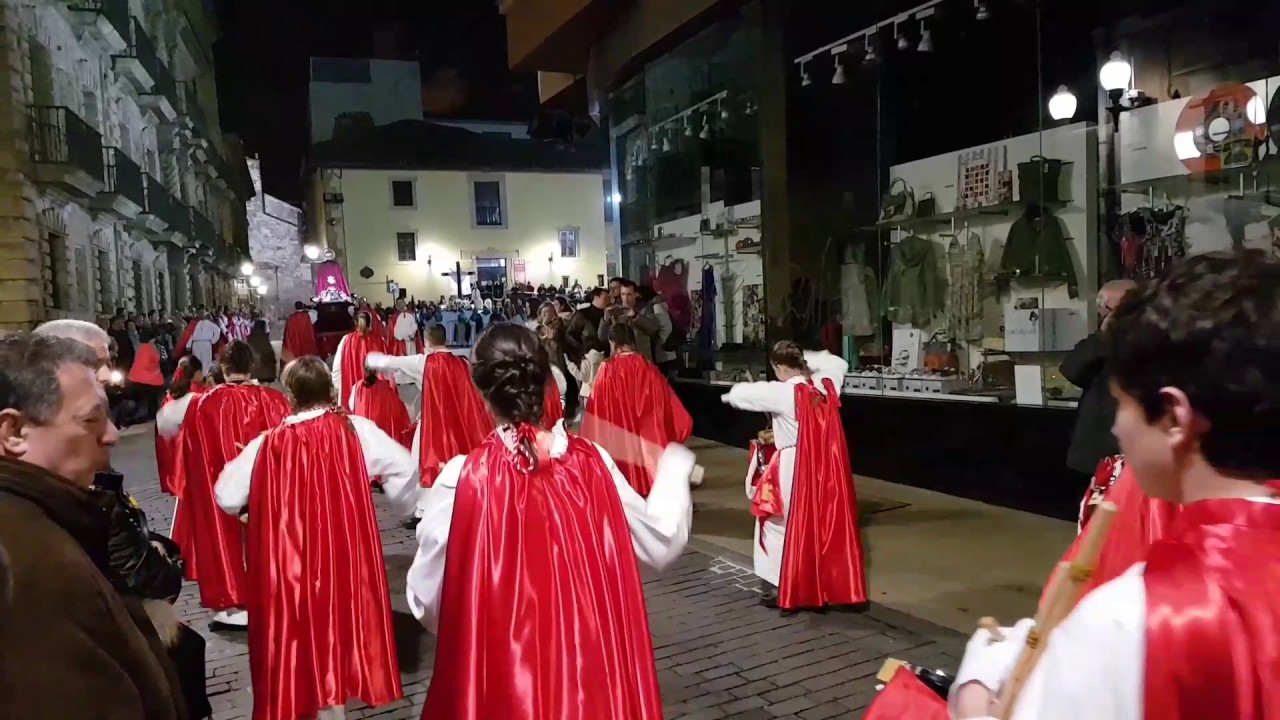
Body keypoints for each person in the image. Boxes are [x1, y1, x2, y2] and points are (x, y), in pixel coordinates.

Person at [950, 251, 1280, 720]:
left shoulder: (1132, 618)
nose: (1118, 429)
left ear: (1172, 418)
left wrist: (975, 689)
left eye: (1121, 404)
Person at [406, 323, 696, 719]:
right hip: (586, 680)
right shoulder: (592, 464)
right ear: (545, 382)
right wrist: (674, 468)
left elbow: (428, 600)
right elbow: (660, 540)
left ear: (481, 390)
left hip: (502, 681)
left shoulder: (462, 480)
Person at [215, 357, 416, 720]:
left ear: (288, 394)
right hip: (344, 556)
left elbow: (226, 495)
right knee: (340, 633)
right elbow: (405, 468)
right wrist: (403, 504)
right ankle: (334, 702)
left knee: (300, 640)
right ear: (330, 388)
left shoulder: (267, 444)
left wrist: (254, 508)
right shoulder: (356, 430)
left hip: (292, 563)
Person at [0, 333, 184, 719]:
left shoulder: (54, 516)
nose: (113, 435)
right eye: (90, 421)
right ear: (14, 433)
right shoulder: (27, 566)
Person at [721, 342, 867, 611]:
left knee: (775, 524)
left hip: (792, 466)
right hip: (823, 469)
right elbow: (838, 363)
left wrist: (728, 396)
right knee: (820, 528)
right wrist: (808, 359)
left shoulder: (783, 392)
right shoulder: (824, 386)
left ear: (779, 367)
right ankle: (822, 587)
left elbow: (742, 395)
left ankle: (779, 586)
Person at [156, 340, 291, 629]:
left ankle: (231, 602)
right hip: (262, 489)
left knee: (225, 540)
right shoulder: (275, 400)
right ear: (250, 365)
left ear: (223, 368)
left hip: (217, 491)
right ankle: (273, 590)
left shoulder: (200, 403)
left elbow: (164, 423)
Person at [366, 324, 492, 527]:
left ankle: (423, 510)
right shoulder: (461, 362)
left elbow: (394, 362)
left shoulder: (424, 361)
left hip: (433, 425)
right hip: (457, 422)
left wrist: (372, 359)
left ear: (427, 341)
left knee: (421, 461)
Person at [581, 323, 692, 498]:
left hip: (617, 433)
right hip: (644, 435)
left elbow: (597, 407)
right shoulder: (646, 367)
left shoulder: (607, 368)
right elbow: (665, 400)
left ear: (613, 342)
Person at [1060, 279, 1137, 486]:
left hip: (1132, 451)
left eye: (1109, 306)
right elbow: (1071, 370)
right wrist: (1104, 336)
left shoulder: (1148, 339)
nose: (1103, 311)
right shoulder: (1099, 342)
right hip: (1095, 451)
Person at [156, 356, 204, 497]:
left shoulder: (172, 392)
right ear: (195, 373)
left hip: (174, 444)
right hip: (192, 447)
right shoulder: (197, 392)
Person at [332, 310, 387, 412]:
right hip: (375, 390)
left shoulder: (346, 340)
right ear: (370, 323)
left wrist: (337, 385)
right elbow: (386, 366)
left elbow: (337, 365)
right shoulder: (379, 340)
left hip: (351, 386)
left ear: (355, 323)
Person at [597, 280, 662, 361]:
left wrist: (636, 316)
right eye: (623, 294)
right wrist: (605, 320)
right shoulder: (614, 310)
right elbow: (602, 337)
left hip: (641, 359)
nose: (625, 298)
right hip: (620, 360)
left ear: (636, 294)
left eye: (629, 294)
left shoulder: (644, 308)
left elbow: (654, 329)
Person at [350, 370, 414, 450]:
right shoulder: (386, 389)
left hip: (364, 439)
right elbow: (397, 413)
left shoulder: (356, 387)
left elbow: (351, 406)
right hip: (383, 439)